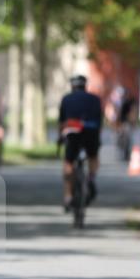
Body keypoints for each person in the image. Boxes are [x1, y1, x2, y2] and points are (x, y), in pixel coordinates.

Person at [59, 74, 102, 211]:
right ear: (85, 86)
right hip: (91, 131)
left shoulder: (66, 99)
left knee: (69, 162)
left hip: (73, 131)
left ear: (72, 87)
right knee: (93, 156)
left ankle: (68, 196)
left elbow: (62, 122)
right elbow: (99, 120)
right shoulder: (95, 99)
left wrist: (60, 138)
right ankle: (91, 179)